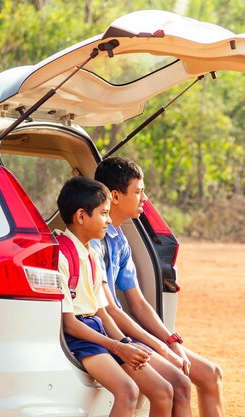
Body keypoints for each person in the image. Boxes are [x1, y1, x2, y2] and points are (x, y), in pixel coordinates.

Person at [91, 157, 225, 417]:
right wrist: (163, 348)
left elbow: (139, 304)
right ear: (115, 196)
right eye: (139, 191)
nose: (145, 198)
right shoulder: (94, 242)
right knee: (179, 385)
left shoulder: (120, 242)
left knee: (212, 374)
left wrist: (172, 341)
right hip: (113, 332)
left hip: (128, 330)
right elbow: (109, 310)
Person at [56, 176, 175, 417]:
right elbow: (69, 324)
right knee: (128, 390)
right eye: (104, 213)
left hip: (99, 330)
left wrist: (125, 344)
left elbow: (102, 312)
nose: (109, 220)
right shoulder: (61, 255)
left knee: (163, 390)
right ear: (81, 216)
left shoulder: (90, 255)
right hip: (81, 337)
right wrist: (116, 347)